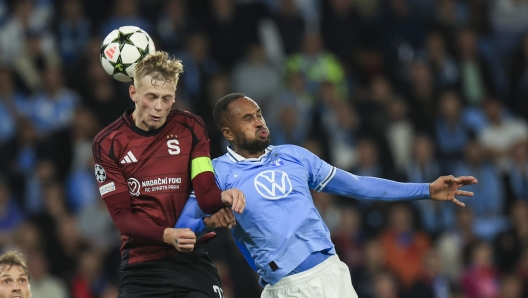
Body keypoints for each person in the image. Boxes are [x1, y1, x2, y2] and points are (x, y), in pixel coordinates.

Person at [176, 93, 478, 298]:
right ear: (227, 132)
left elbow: (358, 185)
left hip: (333, 273)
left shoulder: (293, 156)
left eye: (259, 115)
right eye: (248, 118)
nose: (259, 122)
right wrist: (210, 220)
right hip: (287, 286)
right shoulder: (216, 173)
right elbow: (182, 230)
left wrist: (425, 190)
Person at [91, 52, 245, 298]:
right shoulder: (108, 142)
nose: (159, 107)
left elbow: (205, 192)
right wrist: (167, 235)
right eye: (151, 97)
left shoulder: (190, 128)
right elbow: (122, 217)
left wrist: (224, 196)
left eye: (166, 98)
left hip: (191, 262)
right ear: (133, 93)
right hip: (141, 268)